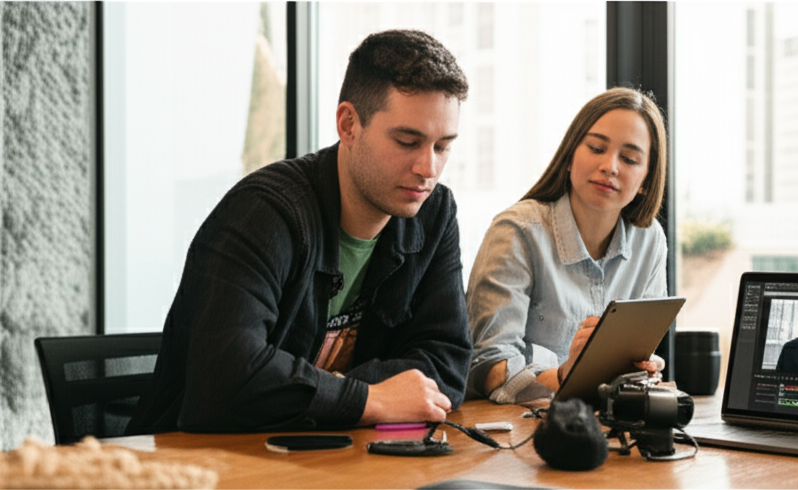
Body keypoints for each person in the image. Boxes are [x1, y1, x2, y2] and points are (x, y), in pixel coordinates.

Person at [128, 29, 472, 434]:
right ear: (349, 124)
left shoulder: (434, 215)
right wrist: (370, 398)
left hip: (326, 457)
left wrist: (333, 393)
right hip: (197, 464)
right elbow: (224, 379)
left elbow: (448, 364)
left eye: (442, 146)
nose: (428, 169)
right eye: (408, 141)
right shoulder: (264, 212)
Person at [466, 87, 668, 404]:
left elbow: (634, 352)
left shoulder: (650, 239)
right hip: (516, 432)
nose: (611, 166)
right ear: (570, 155)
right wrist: (565, 375)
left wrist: (639, 369)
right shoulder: (517, 232)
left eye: (629, 159)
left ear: (645, 180)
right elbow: (488, 366)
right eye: (597, 148)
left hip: (602, 426)